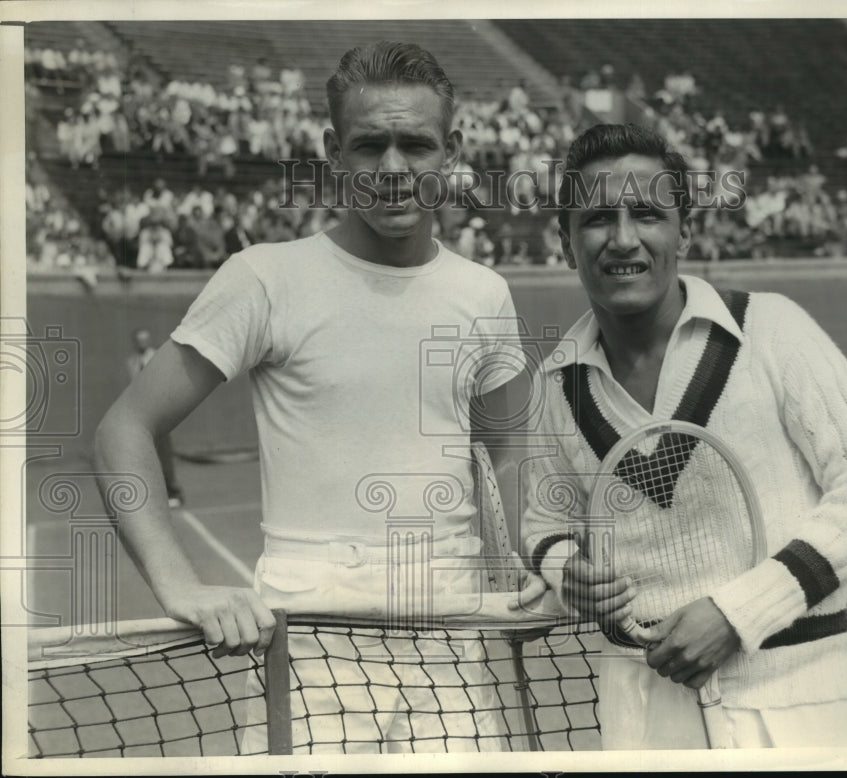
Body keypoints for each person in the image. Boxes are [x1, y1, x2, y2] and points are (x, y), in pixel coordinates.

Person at [95, 41, 528, 754]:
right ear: (334, 150)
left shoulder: (487, 294)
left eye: (416, 145)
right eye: (370, 145)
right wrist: (179, 585)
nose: (393, 170)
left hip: (454, 637)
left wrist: (527, 568)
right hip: (312, 652)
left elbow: (504, 455)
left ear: (450, 149)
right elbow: (125, 431)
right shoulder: (264, 279)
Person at [518, 124, 847, 749]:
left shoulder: (773, 329)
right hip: (643, 716)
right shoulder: (554, 386)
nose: (623, 239)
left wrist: (738, 615)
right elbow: (542, 524)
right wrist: (568, 569)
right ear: (565, 243)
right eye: (596, 219)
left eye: (646, 213)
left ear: (685, 231)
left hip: (800, 709)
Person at [124, 328, 184, 508]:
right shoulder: (132, 362)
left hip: (160, 411)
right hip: (144, 413)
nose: (143, 342)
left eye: (145, 339)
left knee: (164, 452)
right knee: (147, 453)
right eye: (139, 340)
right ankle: (155, 494)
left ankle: (173, 492)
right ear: (135, 342)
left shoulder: (157, 356)